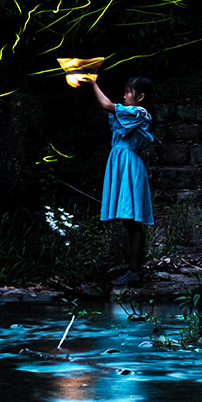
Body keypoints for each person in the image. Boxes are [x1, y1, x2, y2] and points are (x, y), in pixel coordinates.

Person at [85, 74, 154, 285]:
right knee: (127, 220)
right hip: (121, 164)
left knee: (133, 221)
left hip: (129, 167)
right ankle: (133, 266)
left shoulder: (140, 113)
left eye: (128, 91)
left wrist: (93, 83)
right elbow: (106, 108)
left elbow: (107, 105)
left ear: (140, 97)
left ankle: (135, 271)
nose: (124, 95)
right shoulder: (127, 114)